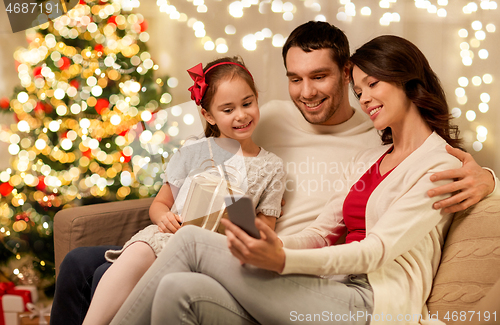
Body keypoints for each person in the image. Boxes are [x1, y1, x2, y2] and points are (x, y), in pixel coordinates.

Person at [50, 21, 497, 325]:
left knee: (189, 244)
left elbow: (376, 249)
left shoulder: (407, 151)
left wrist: (490, 178)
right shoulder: (320, 136)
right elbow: (324, 228)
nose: (306, 92)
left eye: (370, 85)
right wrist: (267, 246)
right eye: (294, 78)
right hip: (300, 269)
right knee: (171, 287)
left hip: (370, 302)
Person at [81, 56, 286, 325]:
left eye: (247, 103)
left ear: (256, 98)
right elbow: (160, 204)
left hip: (215, 251)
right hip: (167, 237)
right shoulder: (194, 150)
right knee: (141, 249)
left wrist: (236, 208)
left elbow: (264, 230)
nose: (241, 115)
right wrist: (162, 217)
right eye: (228, 109)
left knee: (168, 279)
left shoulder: (271, 167)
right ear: (209, 115)